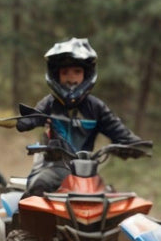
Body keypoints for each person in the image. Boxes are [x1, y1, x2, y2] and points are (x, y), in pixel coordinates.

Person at [16, 37, 143, 196]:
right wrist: (25, 121)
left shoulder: (96, 108)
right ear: (56, 75)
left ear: (87, 74)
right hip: (52, 167)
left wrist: (135, 145)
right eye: (65, 72)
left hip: (86, 172)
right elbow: (35, 116)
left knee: (109, 201)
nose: (71, 78)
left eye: (77, 71)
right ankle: (22, 221)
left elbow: (118, 130)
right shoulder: (49, 104)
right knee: (37, 189)